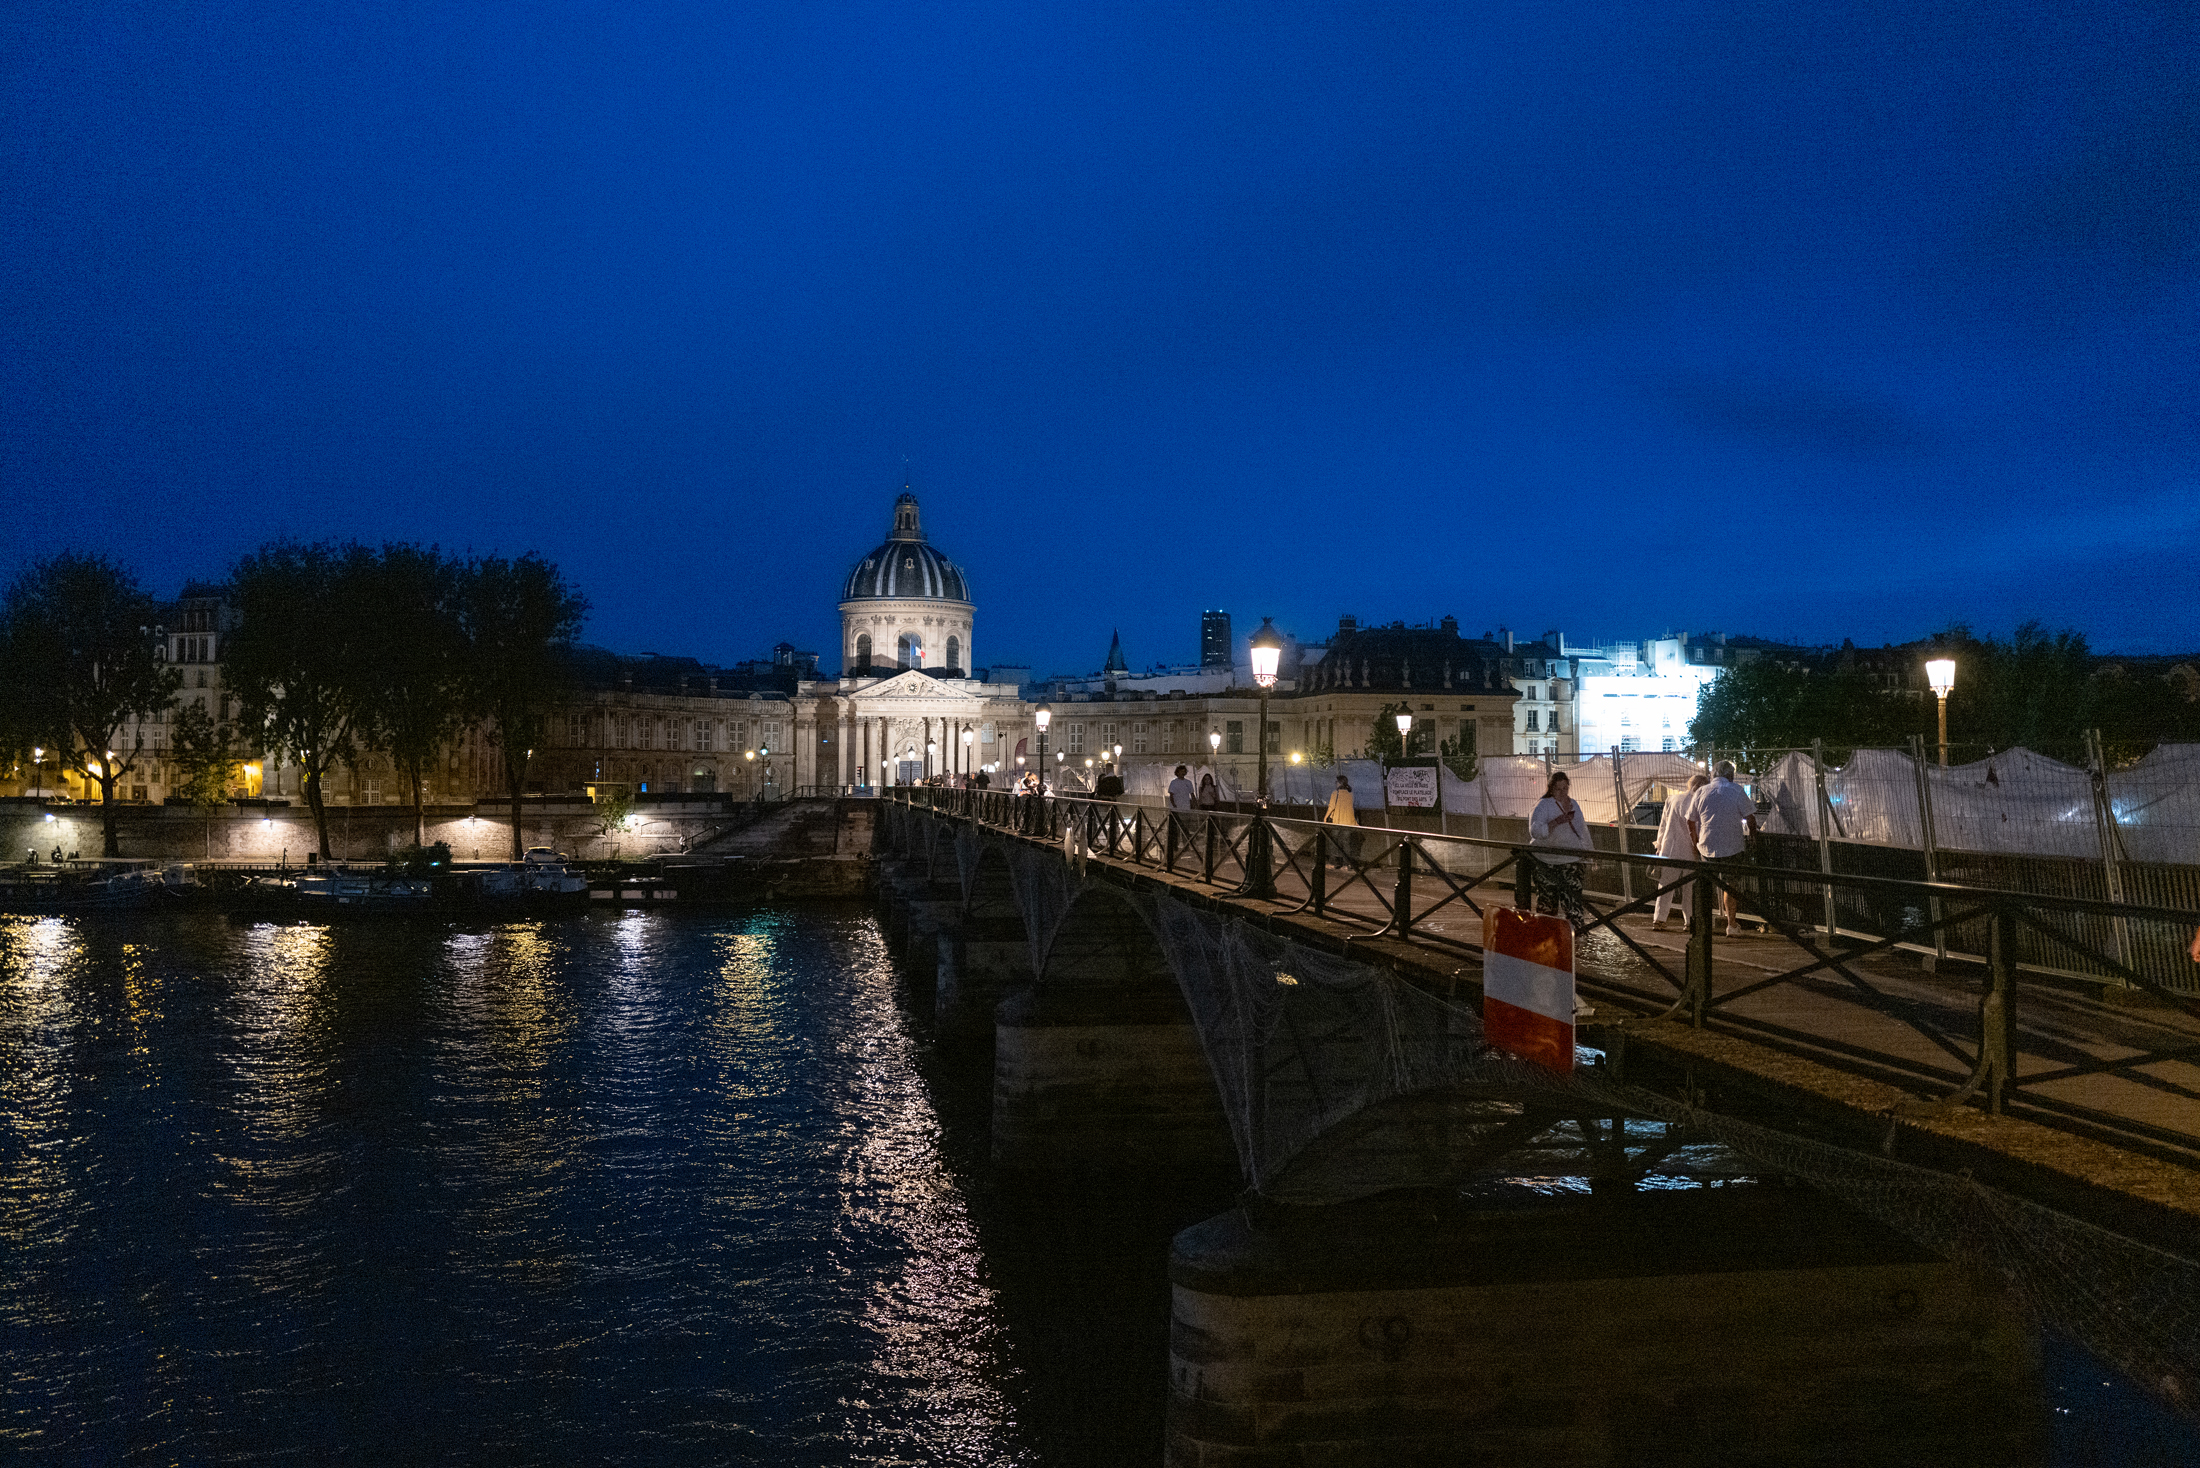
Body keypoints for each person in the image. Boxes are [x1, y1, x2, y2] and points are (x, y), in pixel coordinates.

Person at [1689, 761, 1760, 938]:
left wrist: (1695, 841)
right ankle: (1731, 924)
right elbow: (1750, 818)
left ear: (1713, 774)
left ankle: (1703, 924)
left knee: (1706, 885)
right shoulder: (1736, 790)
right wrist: (1752, 835)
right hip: (1732, 846)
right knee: (1731, 886)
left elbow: (1690, 820)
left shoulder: (1701, 791)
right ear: (1730, 775)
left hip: (1706, 846)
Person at [1528, 771, 1594, 932]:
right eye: (1558, 789)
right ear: (1551, 789)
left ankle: (1575, 937)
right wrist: (1556, 822)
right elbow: (1535, 831)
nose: (1563, 792)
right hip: (1546, 861)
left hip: (1571, 860)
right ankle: (1546, 936)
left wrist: (1589, 852)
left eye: (1565, 788)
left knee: (1573, 903)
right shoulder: (1543, 805)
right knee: (1547, 902)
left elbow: (1582, 830)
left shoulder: (1574, 805)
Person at [1651, 773, 1710, 931]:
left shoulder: (1672, 799)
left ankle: (1659, 919)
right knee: (1689, 888)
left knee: (1665, 885)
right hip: (1692, 850)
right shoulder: (1700, 801)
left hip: (1670, 848)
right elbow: (1698, 827)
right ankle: (1689, 921)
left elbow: (1663, 825)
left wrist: (1659, 846)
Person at [1323, 774, 1358, 868]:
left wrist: (1325, 817)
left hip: (1338, 821)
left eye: (1336, 782)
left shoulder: (1335, 793)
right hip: (1348, 821)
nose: (1335, 784)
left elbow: (1331, 807)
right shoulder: (1350, 793)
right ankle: (1347, 864)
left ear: (1339, 783)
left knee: (1333, 842)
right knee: (1346, 843)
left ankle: (1333, 862)